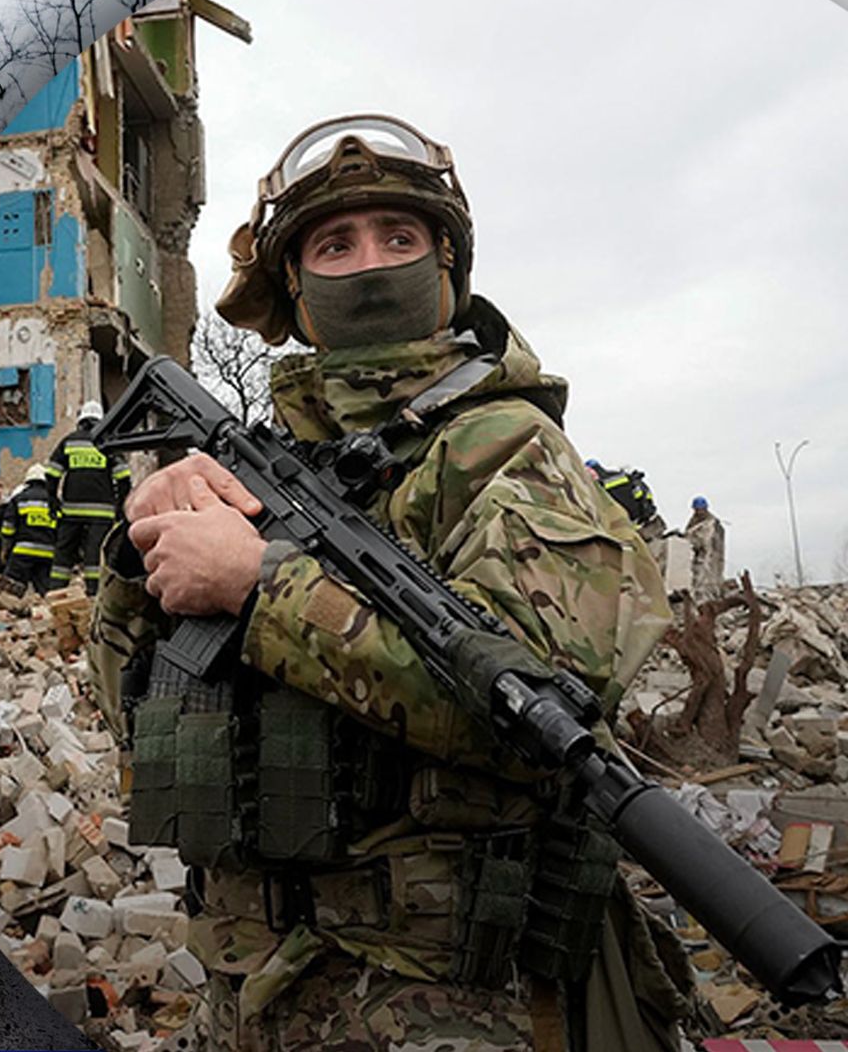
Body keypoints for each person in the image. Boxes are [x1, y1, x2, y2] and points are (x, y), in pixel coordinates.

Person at [91, 115, 690, 1051]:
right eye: (334, 244)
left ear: (447, 267)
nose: (369, 264)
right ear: (292, 283)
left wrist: (262, 589)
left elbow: (544, 711)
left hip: (438, 1000)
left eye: (399, 237)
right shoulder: (266, 463)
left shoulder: (507, 450)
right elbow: (132, 714)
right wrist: (142, 555)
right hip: (248, 981)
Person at [44, 400, 131, 595]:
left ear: (81, 420)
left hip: (71, 510)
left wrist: (52, 499)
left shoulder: (69, 441)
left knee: (63, 554)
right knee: (95, 556)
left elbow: (52, 472)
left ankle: (55, 593)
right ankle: (95, 595)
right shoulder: (108, 442)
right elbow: (124, 478)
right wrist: (121, 507)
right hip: (102, 512)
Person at [0, 464, 57, 596]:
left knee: (10, 589)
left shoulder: (19, 499)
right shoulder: (54, 501)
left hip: (23, 552)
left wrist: (6, 547)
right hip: (48, 554)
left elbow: (8, 527)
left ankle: (8, 612)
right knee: (46, 591)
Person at [685, 495, 727, 602]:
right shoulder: (694, 521)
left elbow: (703, 540)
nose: (699, 512)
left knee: (708, 581)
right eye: (697, 510)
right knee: (696, 579)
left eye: (700, 510)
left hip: (710, 557)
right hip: (698, 556)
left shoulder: (711, 523)